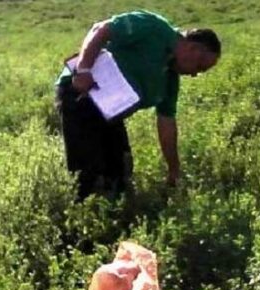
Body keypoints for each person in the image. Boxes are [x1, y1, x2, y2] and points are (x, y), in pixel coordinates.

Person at [55, 10, 221, 200]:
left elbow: (166, 124)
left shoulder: (169, 80)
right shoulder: (154, 27)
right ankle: (78, 221)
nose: (194, 75)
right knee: (88, 172)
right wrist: (83, 69)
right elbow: (100, 30)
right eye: (200, 67)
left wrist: (174, 170)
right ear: (193, 50)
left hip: (109, 112)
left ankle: (116, 219)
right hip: (79, 94)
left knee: (121, 169)